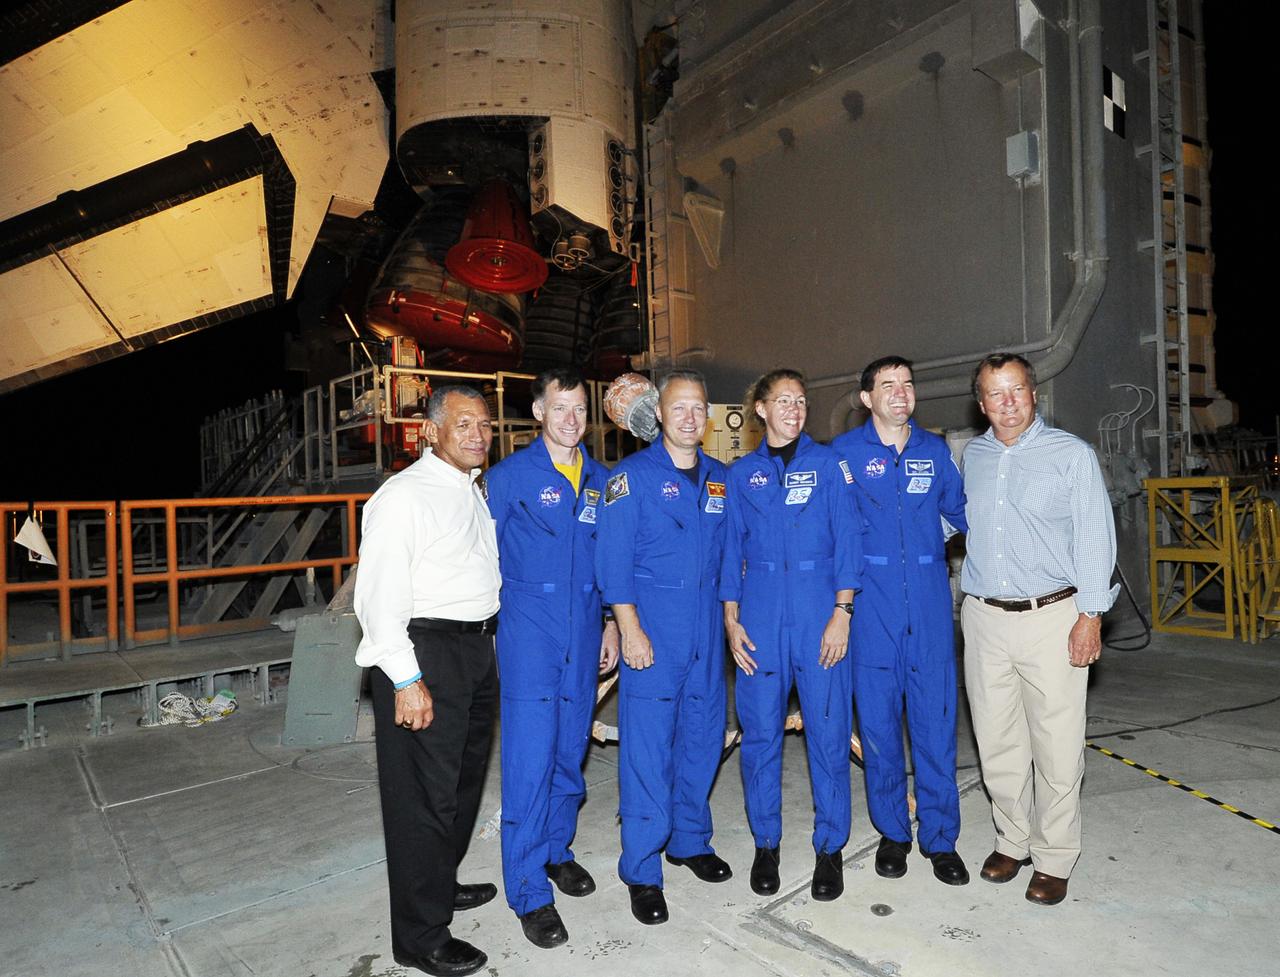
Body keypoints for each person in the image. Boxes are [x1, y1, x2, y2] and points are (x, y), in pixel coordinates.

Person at [354, 385, 501, 977]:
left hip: (473, 649)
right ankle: (419, 937)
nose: (477, 434)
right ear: (431, 432)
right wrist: (406, 678)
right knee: (423, 800)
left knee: (462, 786)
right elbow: (377, 598)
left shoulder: (469, 490)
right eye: (463, 423)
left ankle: (439, 885)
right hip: (426, 654)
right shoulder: (403, 497)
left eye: (485, 425)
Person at [960, 353, 1117, 907]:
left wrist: (1090, 616)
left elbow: (1096, 539)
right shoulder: (971, 457)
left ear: (1033, 394)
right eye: (995, 393)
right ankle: (1012, 840)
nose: (1007, 402)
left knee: (1056, 745)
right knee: (998, 743)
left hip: (1053, 615)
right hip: (982, 616)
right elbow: (944, 523)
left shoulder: (1071, 456)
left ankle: (1054, 857)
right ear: (980, 403)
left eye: (1017, 390)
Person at [484, 368, 619, 949]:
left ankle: (555, 850)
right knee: (530, 759)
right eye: (560, 408)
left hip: (586, 627)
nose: (571, 420)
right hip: (528, 631)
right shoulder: (508, 478)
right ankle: (527, 889)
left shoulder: (602, 480)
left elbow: (612, 558)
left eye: (580, 409)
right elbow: (478, 560)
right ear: (537, 412)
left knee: (571, 749)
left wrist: (613, 620)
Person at [595, 369, 732, 925]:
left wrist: (732, 623)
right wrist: (628, 628)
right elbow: (613, 561)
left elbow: (728, 561)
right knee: (648, 750)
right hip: (654, 628)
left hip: (706, 633)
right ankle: (643, 867)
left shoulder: (720, 479)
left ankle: (690, 840)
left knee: (702, 737)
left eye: (699, 408)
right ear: (659, 413)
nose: (690, 417)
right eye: (679, 408)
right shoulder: (629, 478)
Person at [721, 369, 862, 900]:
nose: (794, 409)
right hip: (758, 617)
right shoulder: (742, 475)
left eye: (801, 401)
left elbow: (848, 539)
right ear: (760, 409)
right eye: (783, 400)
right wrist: (731, 622)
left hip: (817, 613)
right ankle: (766, 844)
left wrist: (842, 612)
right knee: (759, 737)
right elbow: (730, 551)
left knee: (828, 733)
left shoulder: (828, 465)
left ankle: (830, 848)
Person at [831, 355, 970, 886]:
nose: (900, 393)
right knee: (881, 726)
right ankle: (893, 833)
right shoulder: (842, 455)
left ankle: (941, 839)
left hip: (932, 606)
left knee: (936, 725)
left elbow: (965, 516)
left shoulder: (934, 451)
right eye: (887, 386)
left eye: (907, 384)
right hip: (871, 607)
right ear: (866, 398)